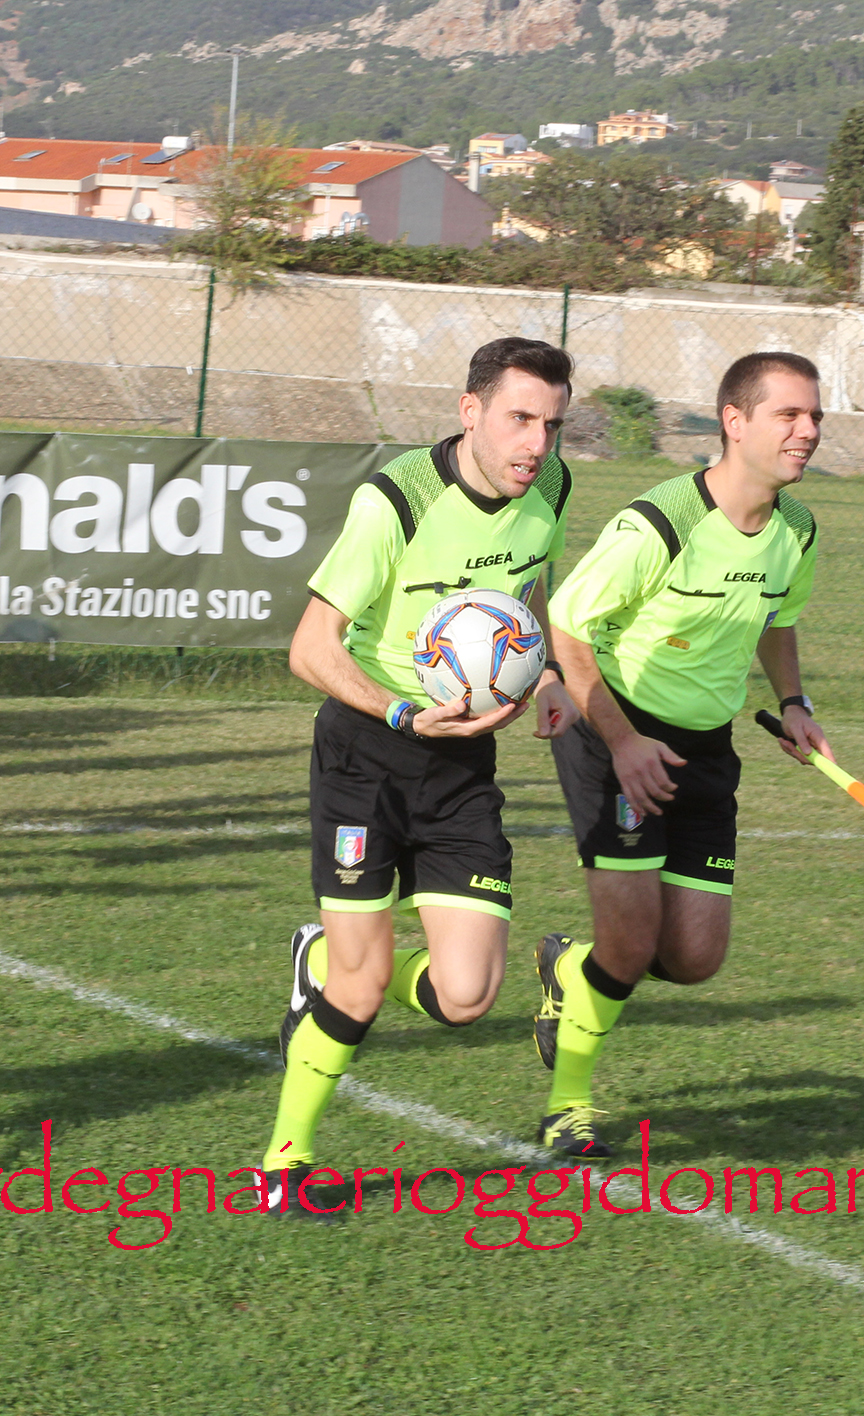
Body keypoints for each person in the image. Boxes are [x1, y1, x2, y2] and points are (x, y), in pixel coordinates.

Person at [259, 336, 579, 1212]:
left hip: (463, 763)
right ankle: (285, 1163)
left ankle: (324, 956)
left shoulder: (550, 488)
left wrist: (545, 671)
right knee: (360, 988)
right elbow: (309, 648)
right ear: (470, 411)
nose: (536, 444)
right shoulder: (395, 501)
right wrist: (402, 711)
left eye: (552, 425)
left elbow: (530, 587)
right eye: (519, 419)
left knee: (467, 995)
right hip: (366, 755)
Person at [532, 351, 832, 1160]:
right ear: (735, 422)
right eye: (789, 415)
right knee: (631, 945)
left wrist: (794, 703)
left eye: (814, 416)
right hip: (616, 732)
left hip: (705, 747)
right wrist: (623, 742)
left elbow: (777, 617)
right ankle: (567, 1108)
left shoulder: (797, 529)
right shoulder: (659, 523)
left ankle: (570, 971)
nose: (807, 430)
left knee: (694, 958)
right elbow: (568, 626)